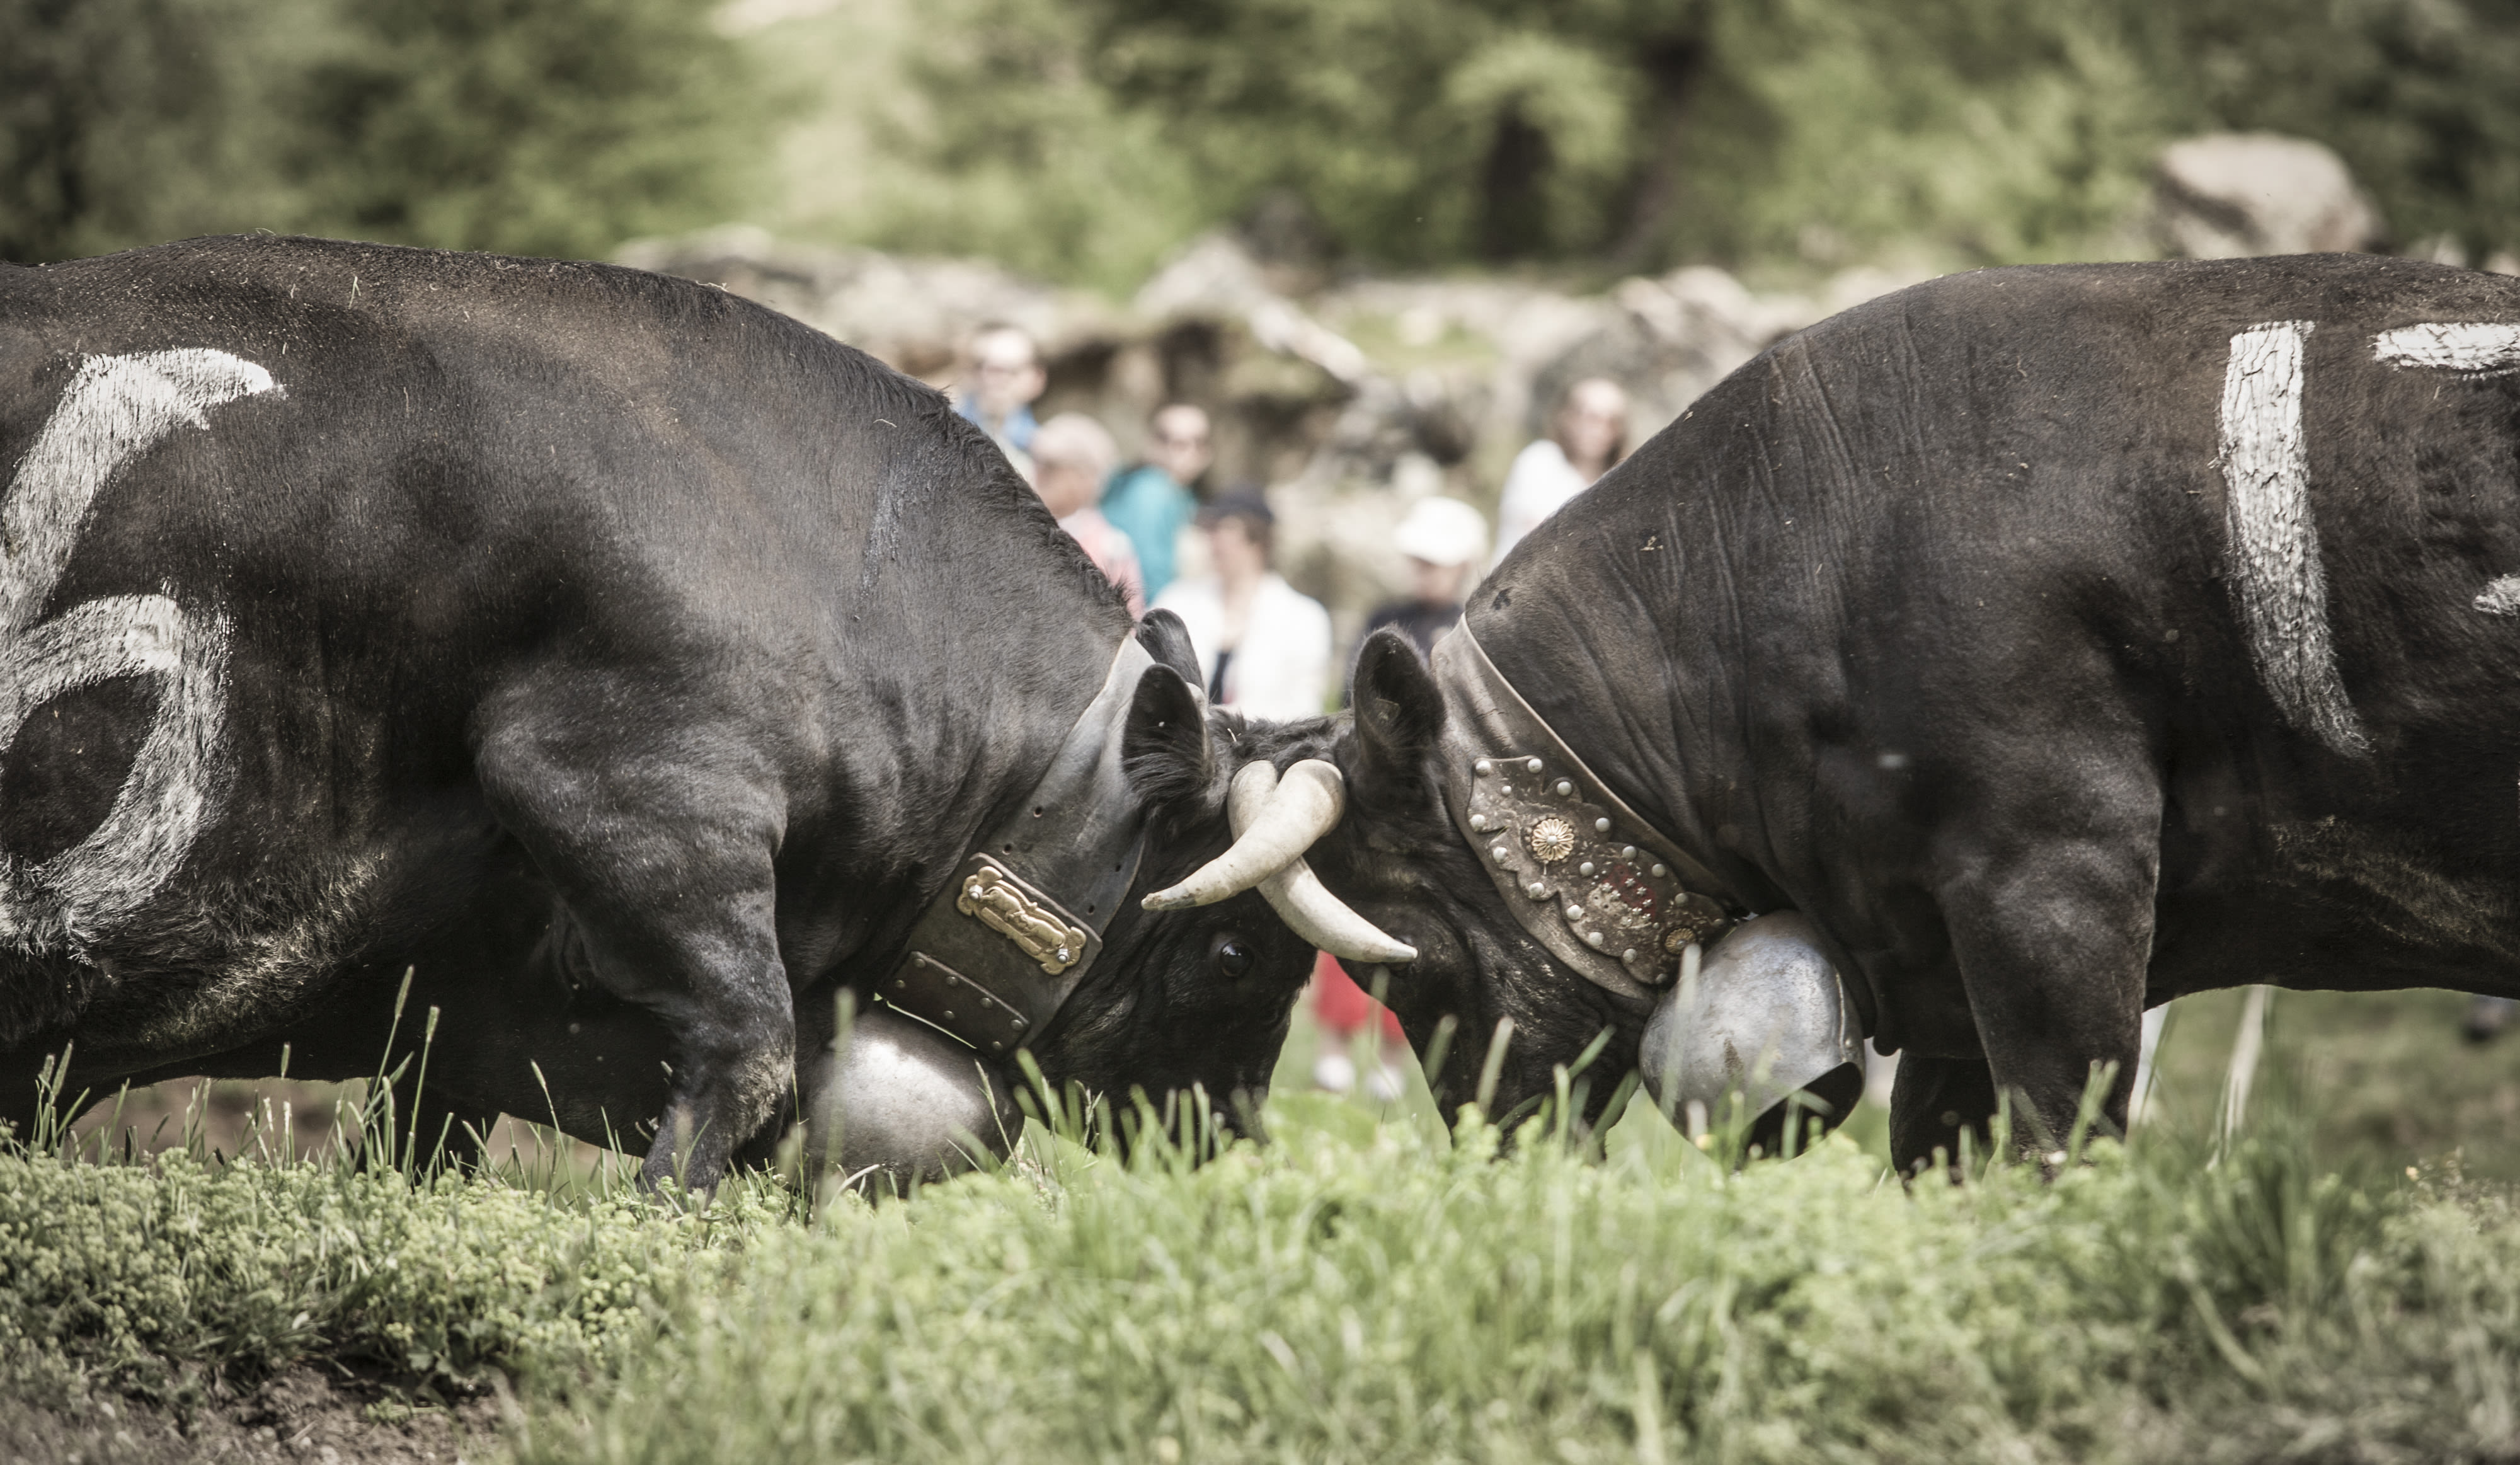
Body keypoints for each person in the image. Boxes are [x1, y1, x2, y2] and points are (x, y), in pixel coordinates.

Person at [1311, 496, 1488, 1097]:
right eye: (1419, 559)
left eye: (1435, 561)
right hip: (1375, 783)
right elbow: (1350, 694)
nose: (1425, 571)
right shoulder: (1385, 615)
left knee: (1420, 919)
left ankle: (1394, 1048)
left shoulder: (1474, 626)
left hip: (1439, 797)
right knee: (1351, 901)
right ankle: (1335, 1042)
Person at [1152, 493, 1330, 720]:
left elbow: (1306, 708)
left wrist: (1229, 720)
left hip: (1264, 748)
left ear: (1258, 539)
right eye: (1210, 529)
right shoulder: (1176, 601)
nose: (1214, 540)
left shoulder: (1304, 618)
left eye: (1226, 529)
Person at [1491, 376, 1629, 566]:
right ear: (1568, 417)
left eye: (1611, 421)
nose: (1599, 429)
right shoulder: (1541, 461)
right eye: (1591, 417)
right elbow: (1539, 537)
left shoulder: (1618, 481)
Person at [1030, 412, 1143, 616]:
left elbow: (1128, 630)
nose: (1037, 473)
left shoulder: (1112, 548)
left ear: (1085, 476)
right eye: (1037, 462)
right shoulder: (1021, 529)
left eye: (1050, 466)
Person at [1101, 403, 1211, 602]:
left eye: (1192, 442)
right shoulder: (1152, 491)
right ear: (1150, 442)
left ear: (1205, 452)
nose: (1174, 449)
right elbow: (1150, 576)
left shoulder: (1182, 496)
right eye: (1165, 438)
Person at [954, 323, 1046, 463]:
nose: (993, 378)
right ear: (966, 371)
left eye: (1010, 369)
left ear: (1036, 378)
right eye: (981, 365)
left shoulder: (1043, 454)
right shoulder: (941, 437)